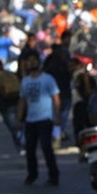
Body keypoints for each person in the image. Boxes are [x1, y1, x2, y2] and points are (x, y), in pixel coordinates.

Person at [17, 51, 61, 186]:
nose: (31, 63)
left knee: (46, 148)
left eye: (34, 60)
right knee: (29, 149)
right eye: (29, 61)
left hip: (45, 119)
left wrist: (57, 116)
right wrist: (19, 118)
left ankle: (53, 175)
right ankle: (32, 174)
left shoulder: (48, 79)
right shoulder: (25, 81)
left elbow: (56, 98)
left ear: (38, 62)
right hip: (30, 120)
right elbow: (22, 100)